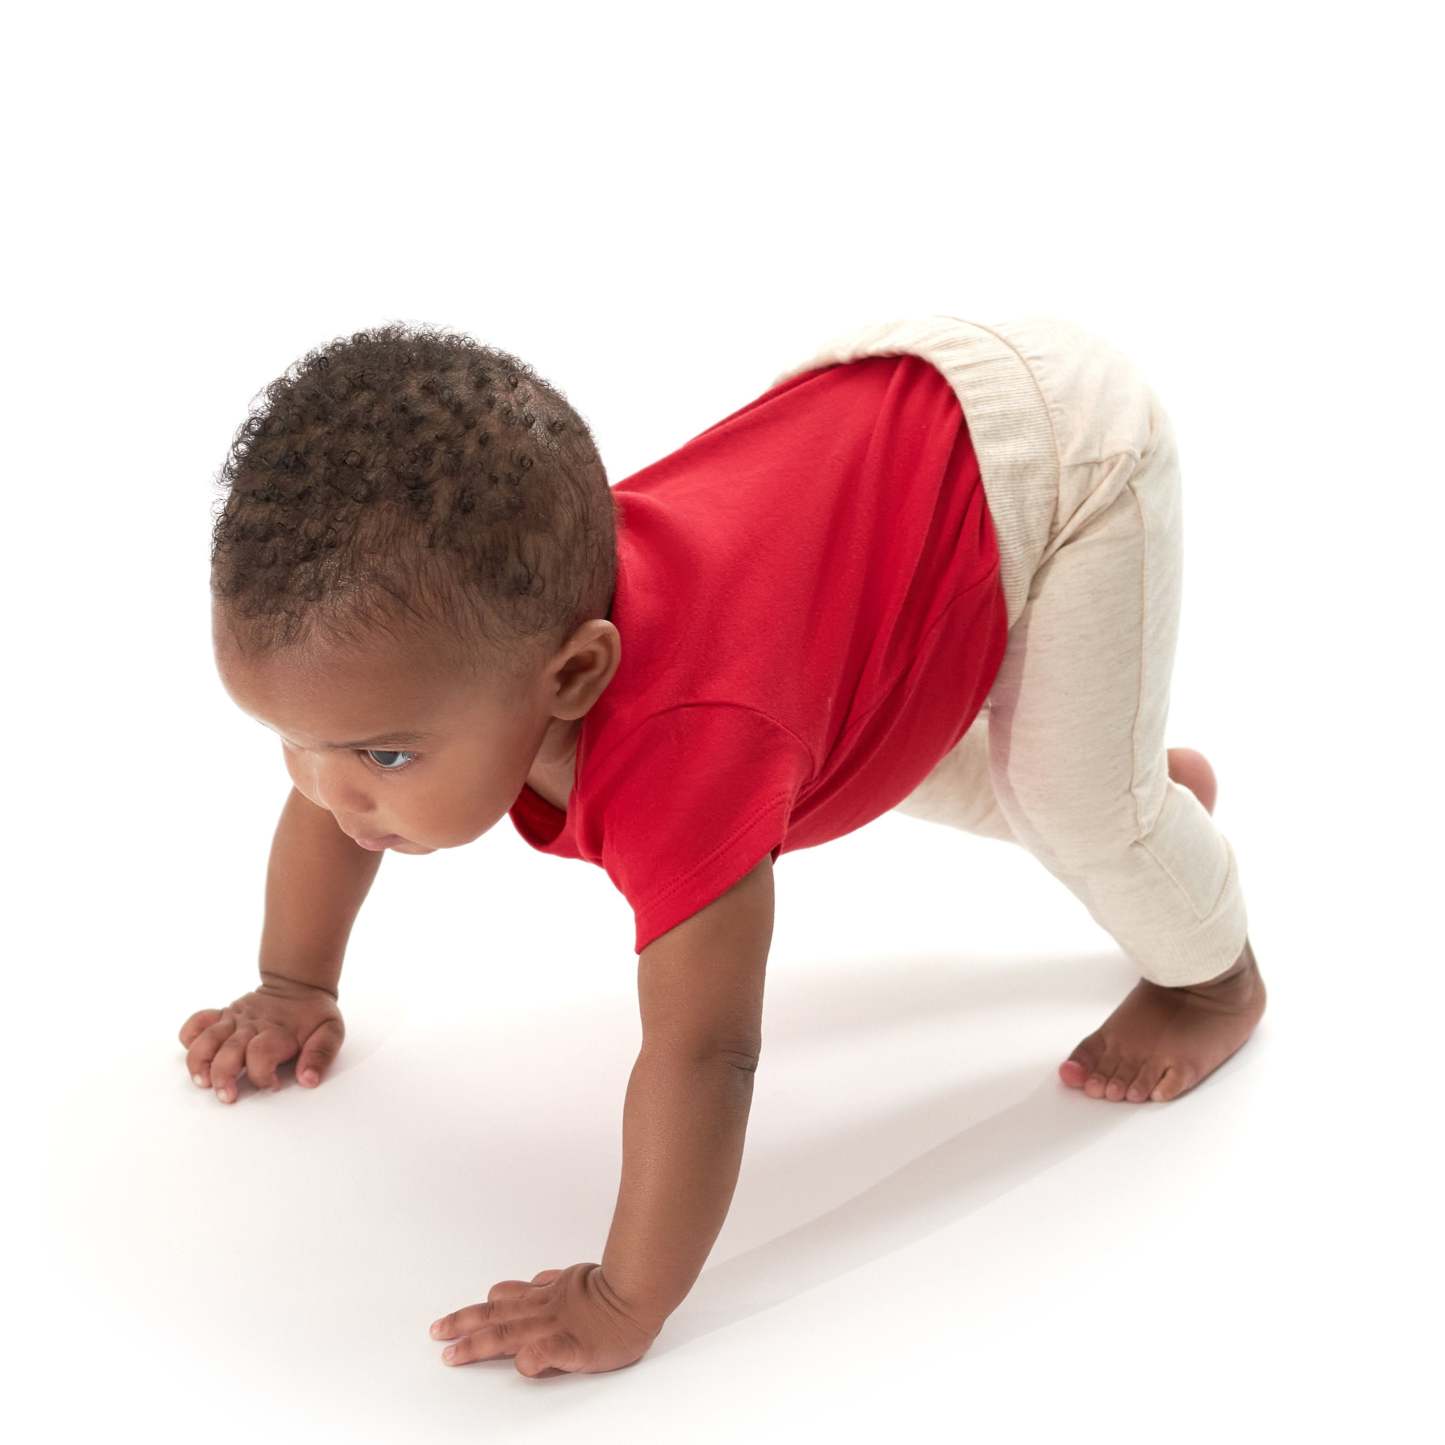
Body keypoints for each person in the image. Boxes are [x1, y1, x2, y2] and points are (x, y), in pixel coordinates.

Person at [182, 315, 1267, 1375]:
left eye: (383, 755)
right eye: (292, 740)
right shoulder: (473, 630)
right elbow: (336, 801)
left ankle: (1206, 970)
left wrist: (623, 1297)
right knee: (917, 753)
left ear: (574, 674)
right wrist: (291, 985)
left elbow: (706, 1053)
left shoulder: (686, 758)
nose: (324, 789)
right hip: (887, 439)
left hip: (1057, 458)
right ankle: (1131, 783)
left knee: (1067, 801)